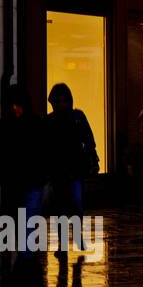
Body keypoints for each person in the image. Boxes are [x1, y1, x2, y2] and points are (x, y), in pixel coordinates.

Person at [41, 83, 98, 245]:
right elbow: (88, 140)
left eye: (63, 101)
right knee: (66, 205)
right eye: (58, 101)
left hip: (69, 168)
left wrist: (92, 157)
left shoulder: (71, 118)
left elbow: (88, 139)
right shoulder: (65, 118)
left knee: (73, 203)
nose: (60, 104)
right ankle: (66, 240)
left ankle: (69, 239)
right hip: (62, 169)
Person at [1, 84, 42, 224]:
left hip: (24, 182)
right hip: (20, 182)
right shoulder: (35, 123)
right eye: (12, 104)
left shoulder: (7, 125)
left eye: (17, 104)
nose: (14, 108)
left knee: (23, 225)